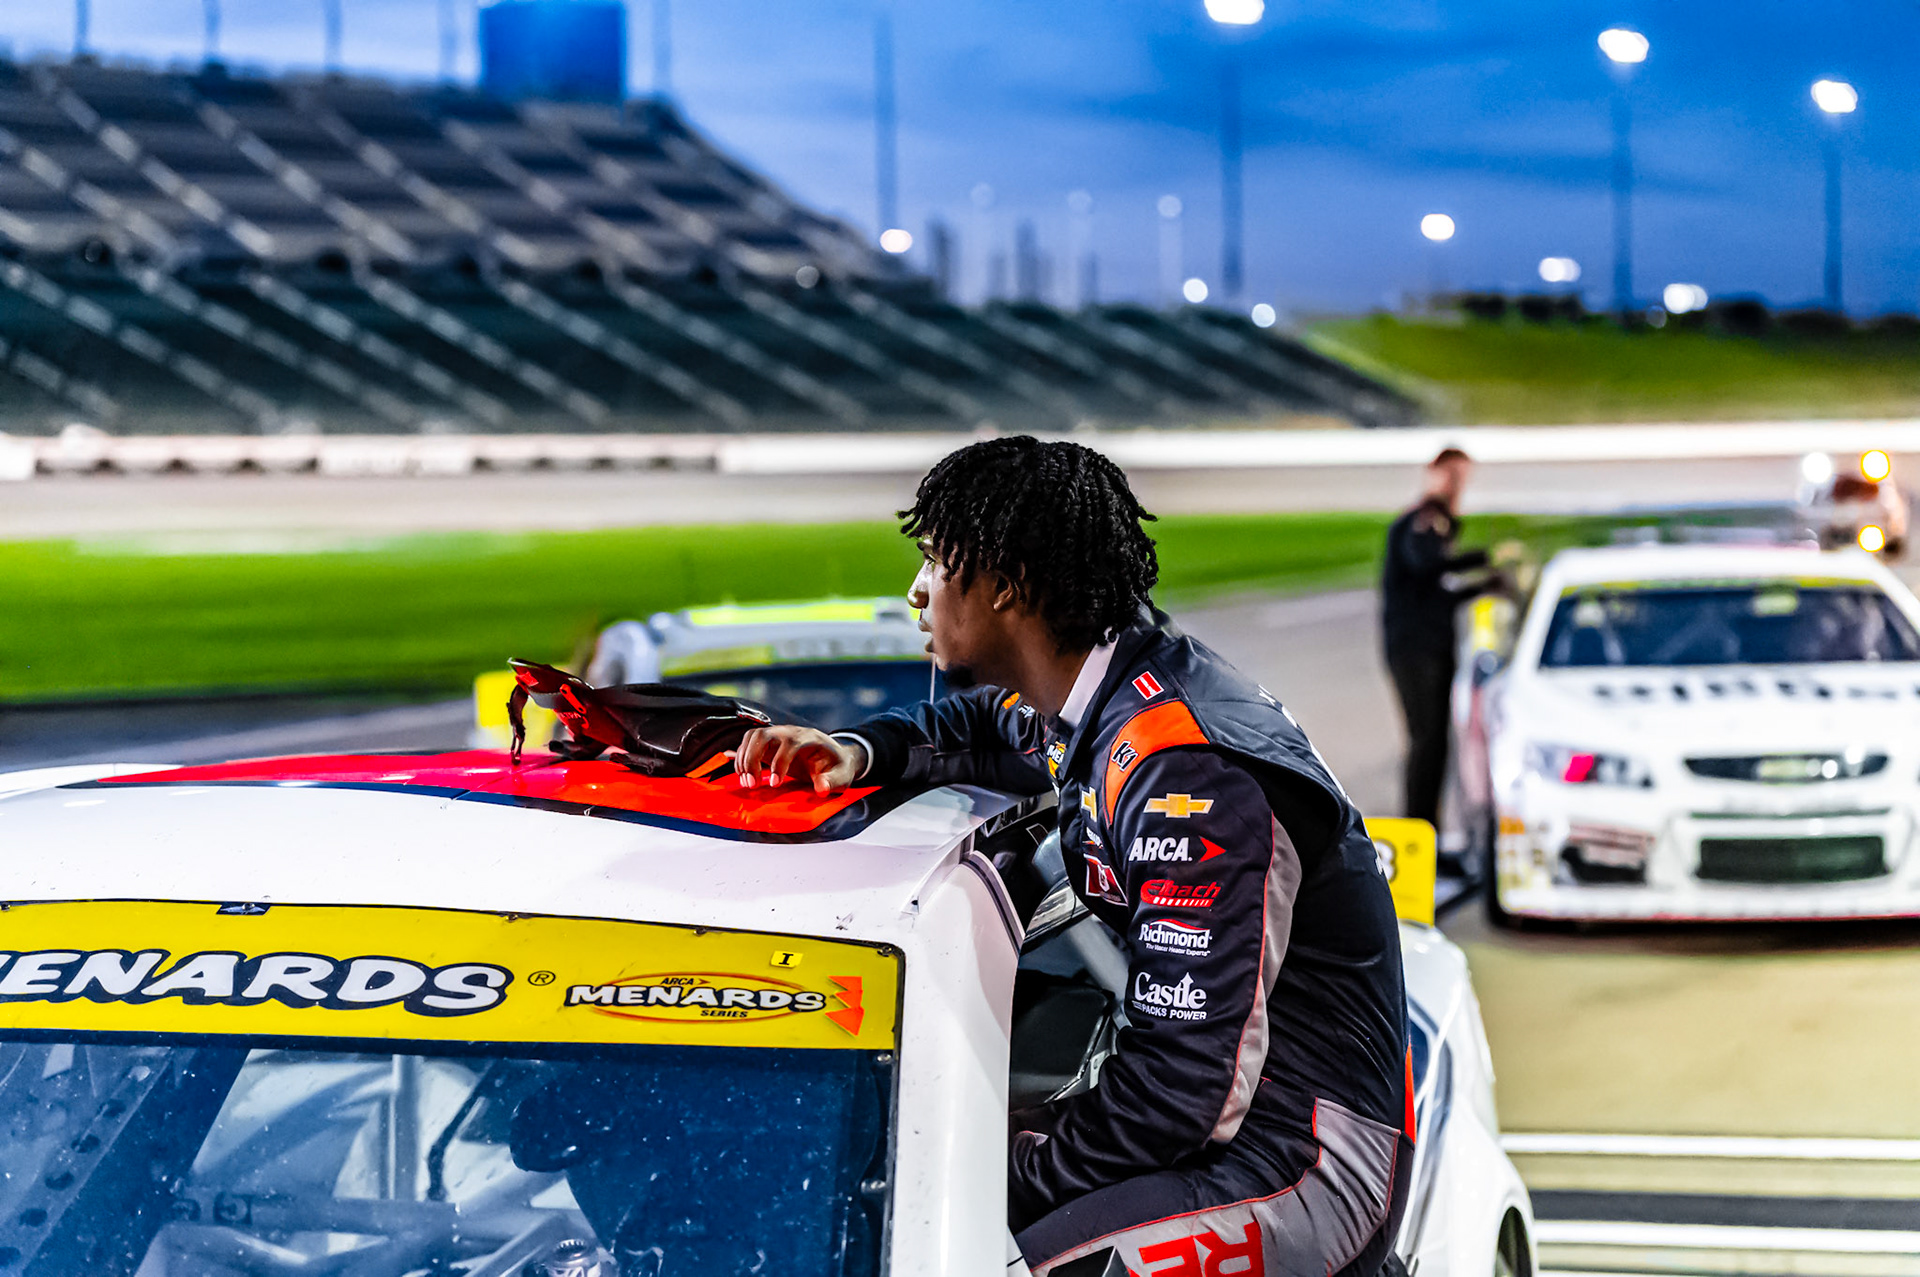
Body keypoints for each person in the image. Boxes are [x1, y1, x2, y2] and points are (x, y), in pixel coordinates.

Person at [733, 437, 1412, 1277]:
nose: (916, 589)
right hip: (1238, 1126)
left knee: (966, 1247)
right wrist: (856, 752)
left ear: (1006, 585)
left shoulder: (1185, 771)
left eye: (937, 560)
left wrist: (990, 1171)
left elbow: (1182, 1089)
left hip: (1308, 1162)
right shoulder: (1106, 691)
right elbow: (984, 728)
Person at [1380, 447, 1501, 827]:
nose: (1457, 486)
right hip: (1416, 650)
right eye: (1451, 476)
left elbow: (1437, 591)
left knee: (1436, 744)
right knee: (1426, 741)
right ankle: (1417, 829)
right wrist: (1480, 561)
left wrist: (1481, 585)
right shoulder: (1422, 520)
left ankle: (1427, 830)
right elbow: (1425, 566)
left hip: (1430, 646)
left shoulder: (1437, 523)